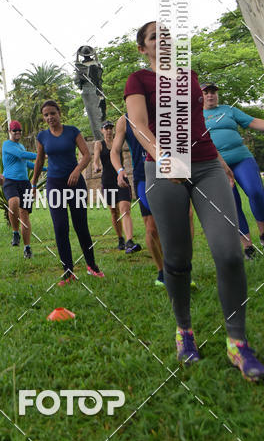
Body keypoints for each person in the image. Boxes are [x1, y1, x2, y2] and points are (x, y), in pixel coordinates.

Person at [125, 20, 264, 380]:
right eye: (155, 37)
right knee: (177, 258)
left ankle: (237, 341)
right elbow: (139, 125)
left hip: (204, 165)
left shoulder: (189, 76)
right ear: (143, 48)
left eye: (168, 35)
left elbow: (198, 124)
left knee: (229, 252)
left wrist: (219, 160)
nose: (164, 40)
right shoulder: (138, 81)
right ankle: (184, 331)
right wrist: (162, 155)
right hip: (163, 170)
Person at [31, 100, 103, 284]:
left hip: (75, 183)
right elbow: (39, 162)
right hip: (54, 184)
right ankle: (68, 271)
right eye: (46, 115)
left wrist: (77, 171)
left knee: (81, 226)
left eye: (52, 113)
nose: (49, 117)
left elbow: (86, 155)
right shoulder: (42, 137)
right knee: (60, 227)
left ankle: (91, 266)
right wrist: (32, 185)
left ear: (59, 113)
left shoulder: (72, 131)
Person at [202, 83, 264, 260]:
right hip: (216, 166)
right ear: (200, 97)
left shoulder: (229, 110)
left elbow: (253, 122)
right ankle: (248, 247)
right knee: (233, 203)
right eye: (205, 93)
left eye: (213, 92)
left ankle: (263, 234)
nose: (210, 95)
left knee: (256, 192)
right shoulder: (194, 116)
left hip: (242, 158)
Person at [111, 114, 165, 285]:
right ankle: (162, 271)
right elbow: (115, 150)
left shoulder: (161, 108)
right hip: (143, 177)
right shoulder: (124, 121)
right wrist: (120, 170)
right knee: (151, 228)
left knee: (181, 221)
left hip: (168, 171)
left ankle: (182, 266)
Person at [92, 121, 141, 254]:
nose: (109, 131)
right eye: (106, 128)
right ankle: (120, 238)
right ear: (102, 130)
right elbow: (95, 159)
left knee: (125, 208)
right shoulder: (99, 144)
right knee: (114, 211)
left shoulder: (118, 142)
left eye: (110, 128)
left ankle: (129, 241)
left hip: (121, 179)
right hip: (108, 181)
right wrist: (96, 167)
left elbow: (122, 157)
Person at [2, 120, 38, 258]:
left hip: (25, 184)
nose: (17, 133)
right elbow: (22, 155)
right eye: (14, 130)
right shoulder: (7, 145)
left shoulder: (21, 146)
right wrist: (41, 155)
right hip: (11, 181)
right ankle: (15, 232)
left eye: (19, 131)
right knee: (14, 202)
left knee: (25, 216)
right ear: (9, 132)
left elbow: (26, 163)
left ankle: (27, 248)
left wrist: (45, 167)